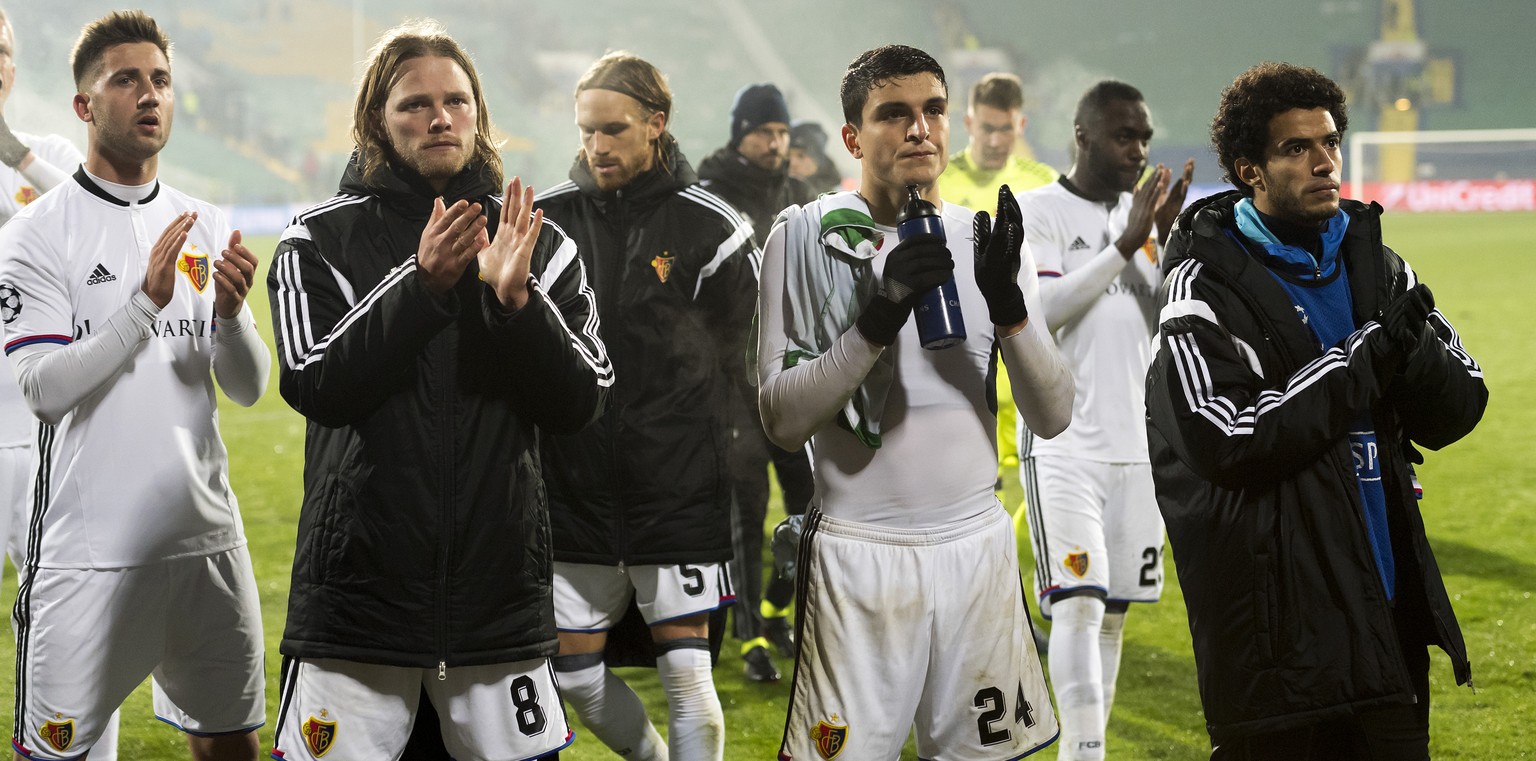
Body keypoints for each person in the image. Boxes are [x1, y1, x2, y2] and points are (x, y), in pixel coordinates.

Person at [265, 19, 610, 761]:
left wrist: (519, 308)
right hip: (357, 605)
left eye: (456, 100)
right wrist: (419, 287)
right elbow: (314, 380)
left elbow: (583, 401)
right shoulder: (315, 240)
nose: (439, 117)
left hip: (498, 606)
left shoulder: (539, 243)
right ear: (375, 123)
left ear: (479, 113)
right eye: (414, 104)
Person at [1145, 62, 1487, 759]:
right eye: (1295, 147)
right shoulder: (1200, 288)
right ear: (1250, 170)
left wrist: (1408, 352)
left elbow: (1462, 405)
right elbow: (1227, 438)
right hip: (1278, 653)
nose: (1323, 159)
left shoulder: (1380, 268)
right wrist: (1367, 356)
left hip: (1385, 626)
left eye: (1329, 140)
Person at [758, 44, 1075, 761]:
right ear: (852, 137)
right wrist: (879, 314)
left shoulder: (986, 239)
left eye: (932, 110)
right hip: (858, 554)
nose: (919, 128)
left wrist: (1011, 308)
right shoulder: (803, 237)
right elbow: (780, 420)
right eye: (892, 114)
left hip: (976, 550)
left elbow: (1054, 414)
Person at [0, 11, 268, 760]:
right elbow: (45, 390)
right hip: (87, 557)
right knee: (61, 751)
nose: (150, 95)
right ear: (85, 106)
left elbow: (247, 388)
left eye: (160, 80)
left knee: (233, 744)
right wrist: (145, 304)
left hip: (208, 544)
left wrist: (230, 317)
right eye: (126, 80)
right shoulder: (36, 233)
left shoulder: (204, 222)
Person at [533, 51, 756, 761]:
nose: (596, 146)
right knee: (572, 674)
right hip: (569, 494)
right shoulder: (543, 223)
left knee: (689, 681)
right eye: (586, 130)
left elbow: (743, 362)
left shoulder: (712, 228)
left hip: (679, 489)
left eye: (614, 129)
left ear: (656, 124)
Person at [1014, 80, 1192, 761]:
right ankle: (1082, 753)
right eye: (1125, 136)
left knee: (1112, 612)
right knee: (1077, 600)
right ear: (1084, 136)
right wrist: (1125, 245)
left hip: (1140, 448)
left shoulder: (1142, 217)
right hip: (1065, 444)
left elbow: (1171, 321)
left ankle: (1092, 747)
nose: (1139, 149)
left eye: (1145, 137)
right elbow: (1042, 311)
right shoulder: (1040, 211)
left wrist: (1169, 243)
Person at [0, 10, 128, 761]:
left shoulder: (43, 157)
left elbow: (99, 225)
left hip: (42, 436)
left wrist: (13, 154)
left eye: (6, 49)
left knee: (67, 623)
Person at [697, 81, 815, 683]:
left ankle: (776, 609)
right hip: (731, 386)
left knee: (812, 505)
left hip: (793, 379)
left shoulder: (799, 194)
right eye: (764, 132)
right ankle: (749, 641)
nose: (774, 143)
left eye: (781, 133)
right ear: (739, 131)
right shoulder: (709, 194)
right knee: (743, 515)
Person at [937, 71, 1060, 502]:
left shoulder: (1044, 184)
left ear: (1020, 126)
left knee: (1030, 517)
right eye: (987, 128)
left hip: (1024, 360)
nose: (995, 139)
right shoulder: (938, 180)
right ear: (968, 124)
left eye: (1005, 128)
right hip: (961, 363)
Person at [788, 120, 842, 195]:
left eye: (801, 156)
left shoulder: (833, 200)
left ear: (817, 161)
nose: (792, 163)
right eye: (787, 155)